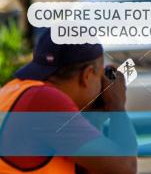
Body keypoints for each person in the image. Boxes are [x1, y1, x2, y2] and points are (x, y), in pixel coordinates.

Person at [0, 32, 137, 174]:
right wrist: (117, 105)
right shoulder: (46, 101)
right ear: (87, 75)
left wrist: (94, 120)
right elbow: (126, 168)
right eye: (100, 76)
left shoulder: (16, 89)